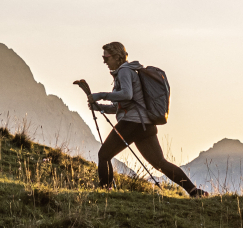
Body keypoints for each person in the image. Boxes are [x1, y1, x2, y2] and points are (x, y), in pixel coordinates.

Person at [77, 42, 207, 198]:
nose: (104, 61)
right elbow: (123, 105)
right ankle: (195, 192)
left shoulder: (124, 71)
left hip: (132, 124)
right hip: (144, 125)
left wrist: (101, 95)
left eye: (106, 57)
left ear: (117, 57)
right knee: (160, 163)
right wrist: (100, 107)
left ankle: (105, 193)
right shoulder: (127, 72)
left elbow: (127, 95)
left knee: (104, 155)